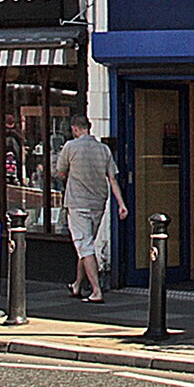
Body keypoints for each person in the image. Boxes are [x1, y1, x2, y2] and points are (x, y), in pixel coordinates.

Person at [53, 114, 126, 303]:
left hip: (77, 203)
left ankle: (96, 291)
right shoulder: (104, 149)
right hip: (98, 203)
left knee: (84, 246)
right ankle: (77, 284)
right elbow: (112, 179)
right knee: (86, 245)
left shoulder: (70, 147)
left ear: (75, 129)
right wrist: (121, 204)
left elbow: (60, 172)